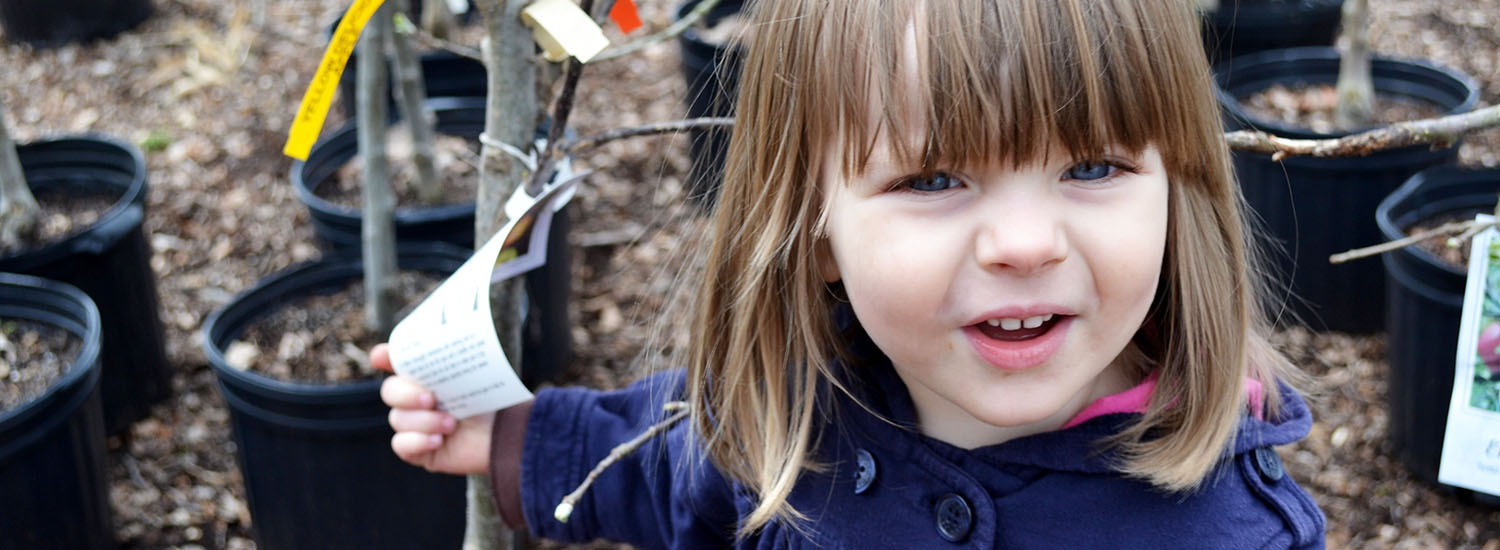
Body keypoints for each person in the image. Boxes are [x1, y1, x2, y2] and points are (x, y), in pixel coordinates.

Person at [373, 0, 1327, 547]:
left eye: (1092, 168)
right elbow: (663, 466)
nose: (1026, 243)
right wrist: (516, 439)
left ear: (1175, 188)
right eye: (936, 178)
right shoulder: (786, 421)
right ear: (815, 230)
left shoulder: (1235, 534)